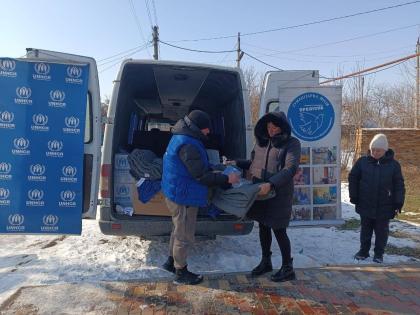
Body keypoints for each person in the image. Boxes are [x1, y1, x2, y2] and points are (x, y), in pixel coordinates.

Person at [161, 109, 240, 285]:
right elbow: (201, 176)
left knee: (177, 229)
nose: (208, 131)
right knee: (183, 234)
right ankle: (181, 273)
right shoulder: (188, 144)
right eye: (206, 128)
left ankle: (170, 262)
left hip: (176, 192)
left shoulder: (182, 137)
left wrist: (218, 167)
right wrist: (227, 177)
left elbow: (197, 166)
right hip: (184, 197)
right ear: (197, 127)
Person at [231, 111, 301, 282]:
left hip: (278, 193)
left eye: (275, 126)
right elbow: (254, 164)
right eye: (269, 127)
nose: (271, 130)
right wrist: (237, 163)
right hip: (260, 192)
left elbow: (290, 169)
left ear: (282, 127)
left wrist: (271, 184)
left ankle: (287, 267)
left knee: (279, 230)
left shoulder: (291, 143)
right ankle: (266, 261)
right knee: (263, 227)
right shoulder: (261, 143)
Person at [348, 133, 405, 263]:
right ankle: (363, 251)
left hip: (385, 205)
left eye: (378, 150)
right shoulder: (362, 162)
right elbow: (353, 178)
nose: (375, 152)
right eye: (373, 149)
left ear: (385, 150)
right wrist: (354, 195)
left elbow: (399, 185)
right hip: (365, 203)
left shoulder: (394, 165)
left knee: (382, 232)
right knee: (365, 229)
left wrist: (398, 202)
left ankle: (379, 254)